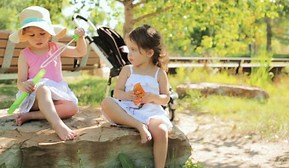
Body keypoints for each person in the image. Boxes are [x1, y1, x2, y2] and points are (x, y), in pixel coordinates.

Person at [9, 6, 87, 141]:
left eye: (42, 33)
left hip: (55, 94)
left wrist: (80, 38)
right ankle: (58, 125)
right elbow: (20, 82)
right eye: (32, 35)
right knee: (43, 89)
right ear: (25, 36)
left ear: (50, 33)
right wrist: (24, 85)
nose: (37, 38)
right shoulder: (25, 55)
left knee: (72, 108)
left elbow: (79, 52)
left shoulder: (55, 48)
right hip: (34, 97)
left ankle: (32, 116)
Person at [101, 24, 172, 168]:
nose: (129, 54)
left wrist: (153, 97)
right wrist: (128, 96)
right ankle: (139, 126)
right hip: (128, 110)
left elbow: (166, 98)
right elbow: (117, 92)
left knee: (162, 131)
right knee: (107, 102)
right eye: (129, 49)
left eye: (133, 50)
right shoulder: (128, 70)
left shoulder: (159, 73)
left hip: (150, 113)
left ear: (149, 53)